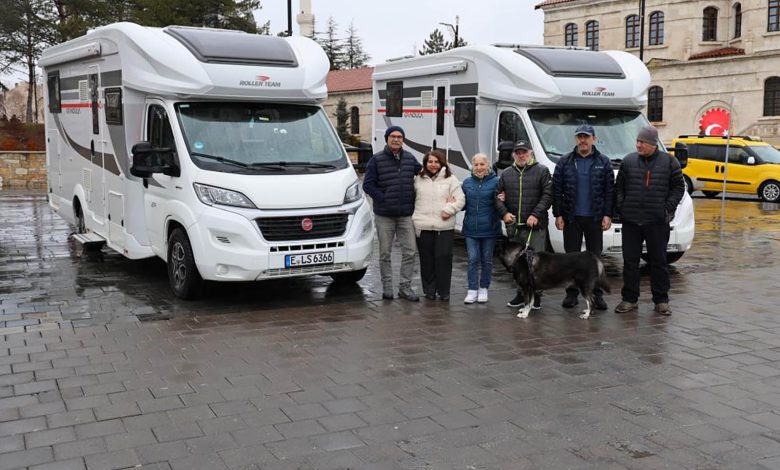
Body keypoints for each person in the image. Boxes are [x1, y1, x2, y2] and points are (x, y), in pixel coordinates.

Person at [614, 125, 685, 315]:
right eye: (637, 141)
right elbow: (619, 187)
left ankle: (661, 300)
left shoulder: (670, 162)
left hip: (657, 222)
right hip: (632, 222)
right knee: (630, 262)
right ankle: (629, 299)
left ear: (653, 144)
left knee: (659, 261)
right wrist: (622, 207)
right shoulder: (628, 161)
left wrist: (666, 208)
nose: (638, 145)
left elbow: (679, 188)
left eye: (642, 142)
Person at [552, 124, 614, 310]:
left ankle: (597, 294)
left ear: (593, 139)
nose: (583, 140)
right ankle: (571, 294)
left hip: (594, 218)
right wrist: (558, 214)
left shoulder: (604, 162)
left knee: (595, 258)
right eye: (579, 136)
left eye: (586, 137)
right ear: (575, 139)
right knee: (570, 258)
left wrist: (608, 214)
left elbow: (609, 191)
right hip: (572, 218)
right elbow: (557, 190)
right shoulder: (565, 162)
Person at [362, 125, 422, 301]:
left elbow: (424, 175)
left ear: (403, 140)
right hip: (384, 216)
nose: (396, 139)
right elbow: (368, 185)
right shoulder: (376, 160)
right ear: (387, 138)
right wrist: (383, 198)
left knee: (410, 251)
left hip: (405, 215)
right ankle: (387, 287)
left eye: (400, 137)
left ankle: (405, 287)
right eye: (393, 136)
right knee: (385, 254)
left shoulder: (410, 159)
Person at [496, 140, 553, 309]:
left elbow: (548, 196)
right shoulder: (506, 173)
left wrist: (535, 214)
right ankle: (521, 294)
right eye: (518, 152)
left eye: (524, 152)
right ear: (514, 154)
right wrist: (504, 213)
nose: (521, 155)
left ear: (531, 153)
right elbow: (496, 196)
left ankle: (536, 295)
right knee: (518, 263)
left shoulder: (542, 171)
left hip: (536, 227)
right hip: (516, 227)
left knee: (536, 262)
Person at [412, 150, 465, 301]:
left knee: (443, 259)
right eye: (430, 162)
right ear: (425, 163)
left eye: (436, 162)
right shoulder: (418, 179)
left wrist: (449, 209)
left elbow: (460, 199)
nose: (433, 165)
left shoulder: (451, 179)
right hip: (423, 226)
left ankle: (444, 291)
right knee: (426, 260)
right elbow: (412, 198)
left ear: (442, 163)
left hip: (444, 227)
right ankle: (429, 290)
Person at [461, 153, 502, 304]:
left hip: (489, 229)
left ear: (488, 165)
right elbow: (462, 204)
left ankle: (483, 288)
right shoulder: (466, 183)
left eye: (482, 164)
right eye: (476, 165)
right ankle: (472, 290)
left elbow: (501, 203)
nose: (479, 168)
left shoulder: (497, 182)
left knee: (486, 259)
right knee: (472, 259)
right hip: (471, 228)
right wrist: (453, 201)